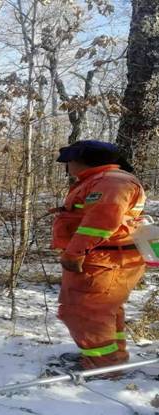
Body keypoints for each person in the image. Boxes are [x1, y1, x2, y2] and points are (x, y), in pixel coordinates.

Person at [52, 140, 146, 370]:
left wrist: (75, 252)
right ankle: (112, 358)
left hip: (105, 260)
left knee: (85, 312)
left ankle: (101, 366)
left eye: (69, 161)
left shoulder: (111, 182)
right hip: (104, 258)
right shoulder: (101, 180)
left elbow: (100, 223)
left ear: (81, 160)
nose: (67, 166)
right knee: (103, 310)